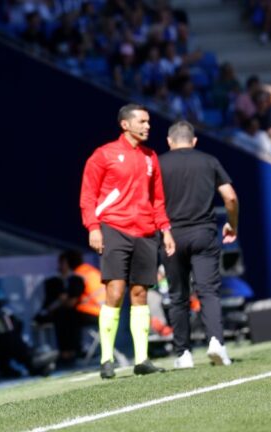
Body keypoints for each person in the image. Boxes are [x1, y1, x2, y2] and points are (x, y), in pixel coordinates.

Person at [80, 103, 176, 379]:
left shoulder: (150, 157)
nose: (148, 126)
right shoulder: (103, 155)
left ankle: (142, 358)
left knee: (141, 294)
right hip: (114, 228)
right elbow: (88, 195)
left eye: (148, 122)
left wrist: (165, 230)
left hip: (145, 232)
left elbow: (158, 199)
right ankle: (106, 359)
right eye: (142, 122)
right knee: (115, 291)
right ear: (125, 125)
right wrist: (93, 228)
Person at [158, 121, 238, 368]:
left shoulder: (158, 164)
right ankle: (216, 342)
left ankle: (183, 354)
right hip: (204, 232)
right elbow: (230, 197)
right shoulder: (208, 160)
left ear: (169, 141)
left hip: (171, 236)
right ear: (194, 141)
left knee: (178, 295)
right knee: (209, 291)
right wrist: (232, 225)